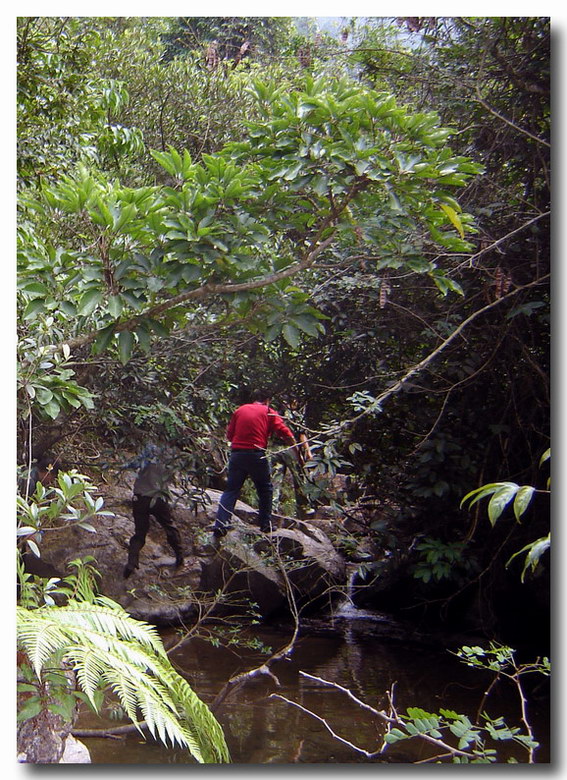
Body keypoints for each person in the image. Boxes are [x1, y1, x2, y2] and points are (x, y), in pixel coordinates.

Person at [212, 390, 299, 537]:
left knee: (231, 490)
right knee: (265, 489)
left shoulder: (240, 410)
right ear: (267, 400)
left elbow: (229, 435)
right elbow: (285, 433)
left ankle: (221, 525)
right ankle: (265, 524)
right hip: (256, 454)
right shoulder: (268, 411)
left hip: (237, 454)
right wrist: (296, 450)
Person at [121, 444, 184, 578]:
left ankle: (132, 563)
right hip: (159, 497)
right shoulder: (172, 453)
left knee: (140, 533)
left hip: (141, 496)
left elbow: (133, 464)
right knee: (168, 525)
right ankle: (179, 555)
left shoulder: (149, 449)